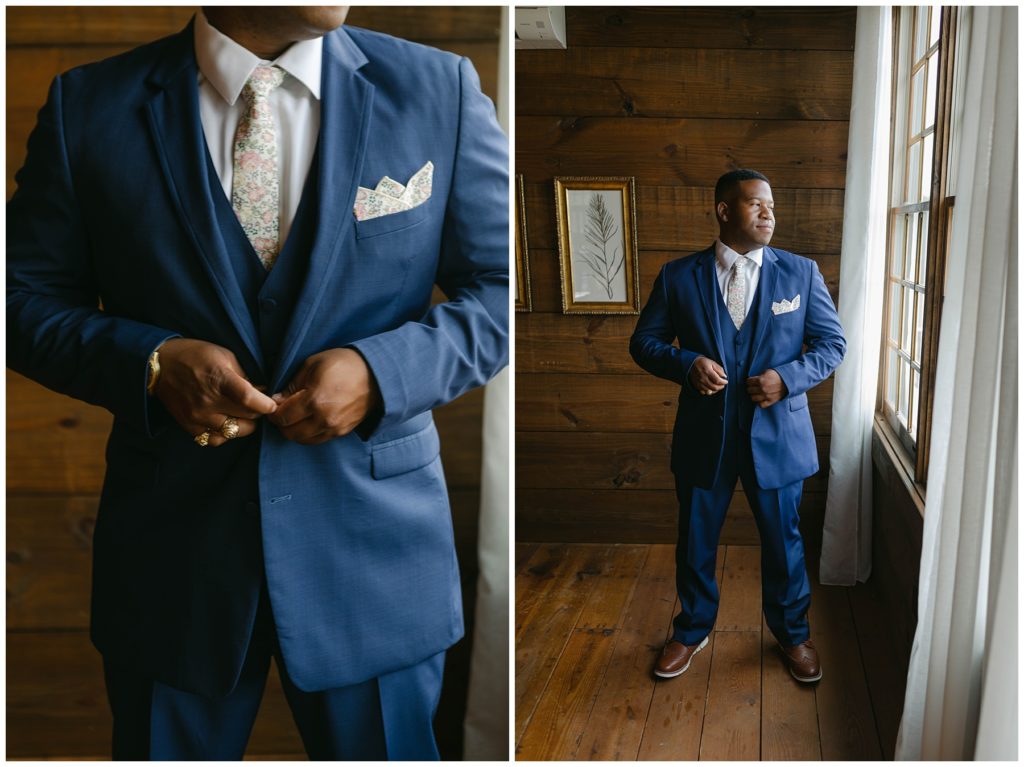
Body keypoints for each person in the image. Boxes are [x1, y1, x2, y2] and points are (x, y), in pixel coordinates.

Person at [7, 6, 508, 760]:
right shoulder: (91, 105)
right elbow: (20, 301)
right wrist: (150, 362)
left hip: (375, 563)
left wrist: (382, 371)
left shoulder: (437, 89)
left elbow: (502, 290)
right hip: (172, 565)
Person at [629, 169, 845, 684]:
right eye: (756, 205)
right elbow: (644, 342)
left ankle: (794, 635)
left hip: (778, 437)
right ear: (724, 211)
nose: (769, 213)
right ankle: (691, 630)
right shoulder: (678, 276)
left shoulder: (801, 273)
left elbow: (832, 345)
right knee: (696, 539)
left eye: (772, 205)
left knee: (784, 542)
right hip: (707, 436)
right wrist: (687, 364)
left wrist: (787, 379)